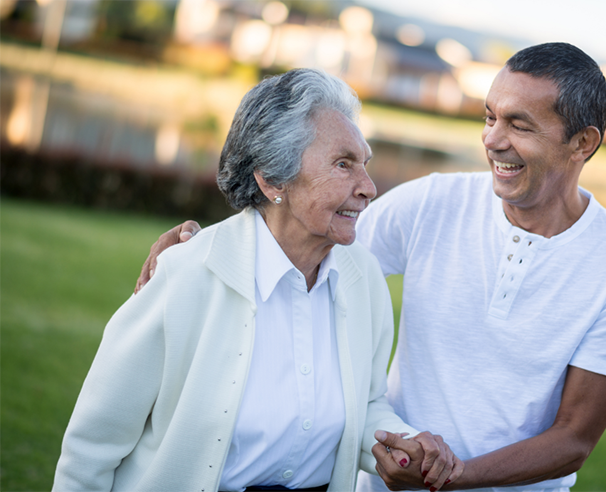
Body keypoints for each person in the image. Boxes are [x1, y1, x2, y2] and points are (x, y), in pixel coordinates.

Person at [136, 43, 606, 492]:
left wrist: (452, 476)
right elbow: (303, 238)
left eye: (519, 124)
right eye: (489, 116)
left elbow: (573, 438)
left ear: (582, 143)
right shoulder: (435, 201)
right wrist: (201, 248)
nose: (493, 139)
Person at [54, 69, 462, 492]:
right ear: (271, 180)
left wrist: (405, 444)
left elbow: (365, 404)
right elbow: (91, 449)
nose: (369, 187)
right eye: (344, 164)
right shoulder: (185, 275)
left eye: (365, 165)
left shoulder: (364, 281)